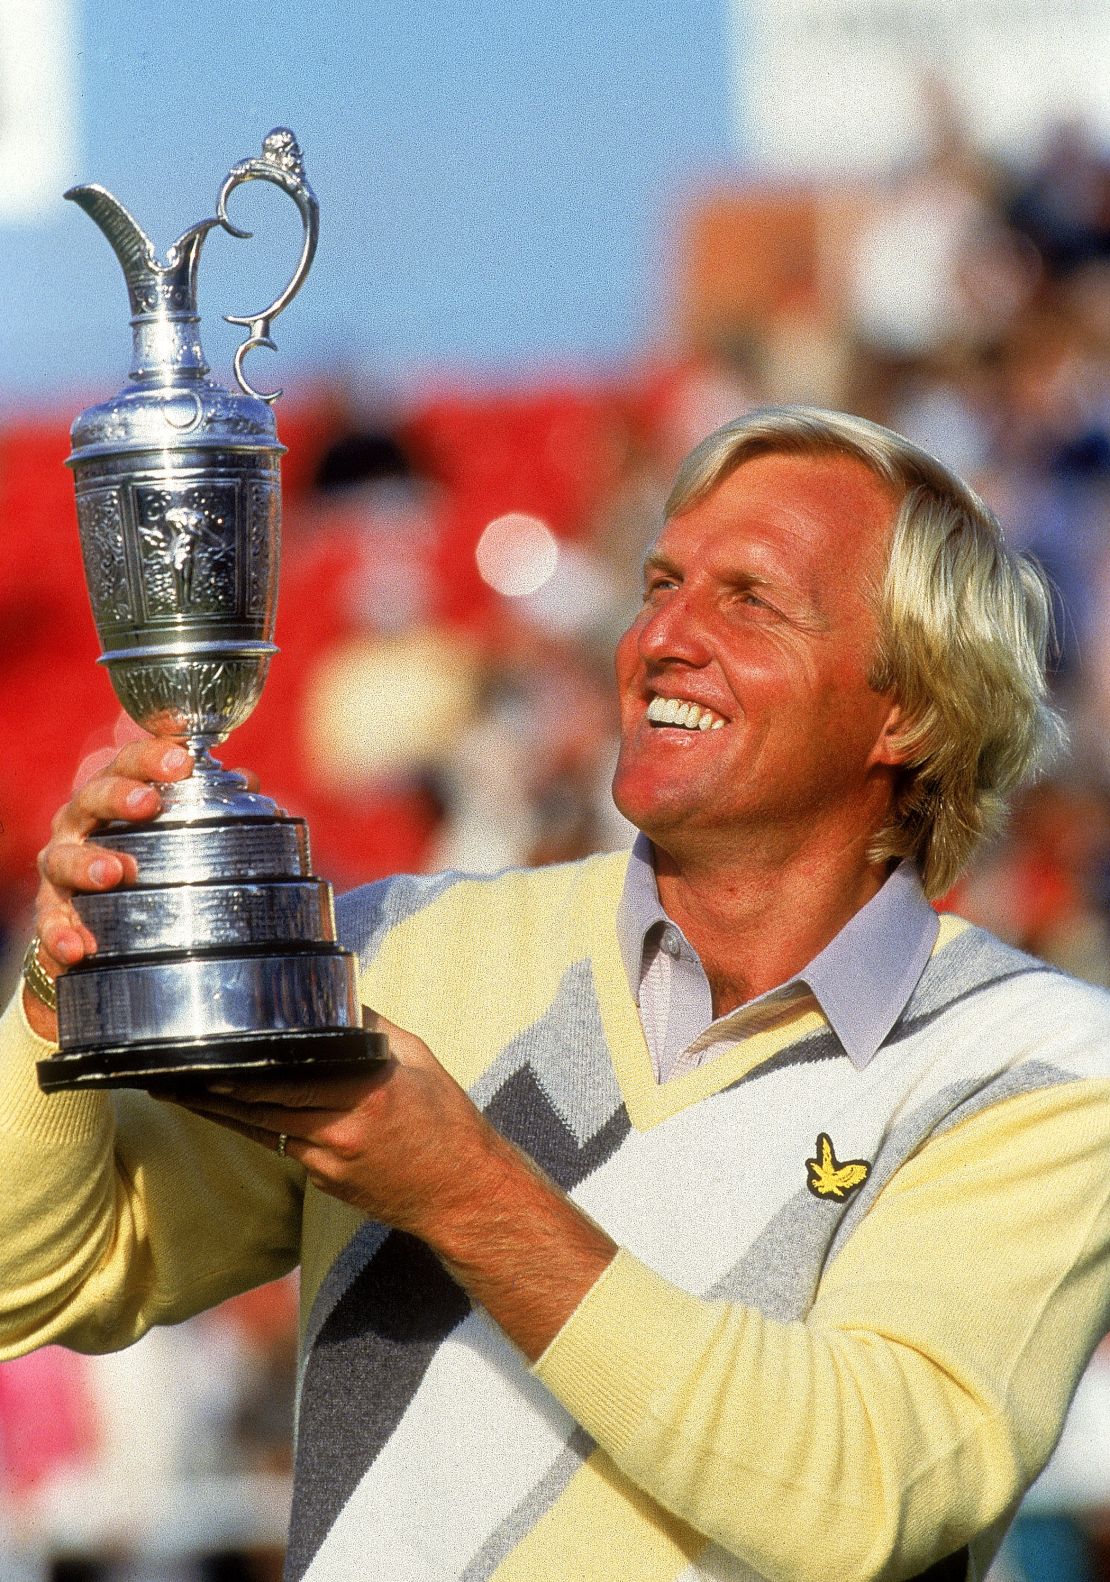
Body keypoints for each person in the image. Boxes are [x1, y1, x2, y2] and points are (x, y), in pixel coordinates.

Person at [5, 407, 1110, 1582]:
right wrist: (63, 988)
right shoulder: (402, 947)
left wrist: (468, 1194)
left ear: (912, 705)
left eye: (749, 600)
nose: (661, 637)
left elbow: (861, 1494)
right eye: (661, 581)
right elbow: (36, 1280)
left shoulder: (1035, 1067)